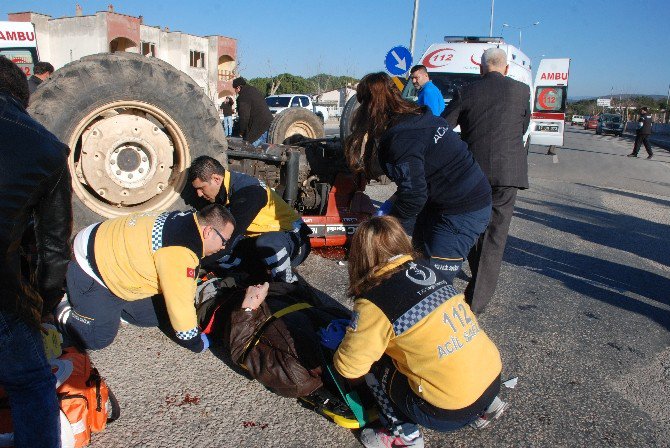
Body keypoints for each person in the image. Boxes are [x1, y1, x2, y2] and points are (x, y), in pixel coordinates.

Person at [333, 216, 507, 448]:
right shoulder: (429, 269)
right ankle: (486, 406)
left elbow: (350, 366)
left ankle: (404, 435)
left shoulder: (374, 300)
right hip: (492, 378)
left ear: (360, 256)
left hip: (447, 412)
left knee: (374, 365)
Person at [345, 72, 492, 283]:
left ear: (369, 106)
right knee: (418, 262)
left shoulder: (401, 138)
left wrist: (385, 224)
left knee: (432, 281)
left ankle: (445, 313)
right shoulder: (417, 116)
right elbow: (416, 178)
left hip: (462, 210)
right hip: (445, 199)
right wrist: (389, 204)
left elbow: (414, 196)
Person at [0, 56, 73, 447]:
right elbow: (51, 247)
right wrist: (45, 305)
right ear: (20, 95)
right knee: (30, 384)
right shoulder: (44, 147)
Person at [55, 204, 235, 353]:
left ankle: (109, 310)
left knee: (156, 314)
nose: (223, 248)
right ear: (209, 231)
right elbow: (181, 307)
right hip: (92, 268)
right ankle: (64, 305)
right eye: (224, 241)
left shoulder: (186, 220)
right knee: (96, 338)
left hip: (114, 257)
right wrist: (196, 343)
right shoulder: (180, 252)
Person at [442, 47, 531, 314]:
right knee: (495, 235)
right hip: (508, 173)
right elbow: (523, 127)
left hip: (473, 173)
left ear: (481, 69)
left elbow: (444, 126)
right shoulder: (522, 91)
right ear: (506, 69)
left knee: (472, 227)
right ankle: (476, 302)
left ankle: (475, 291)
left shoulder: (467, 91)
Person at [189, 156, 311, 283]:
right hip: (258, 241)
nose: (199, 194)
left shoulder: (249, 193)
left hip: (294, 240)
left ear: (216, 179)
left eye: (201, 188)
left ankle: (287, 285)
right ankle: (253, 277)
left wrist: (193, 264)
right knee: (220, 255)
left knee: (265, 242)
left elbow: (228, 240)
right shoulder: (224, 192)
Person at [232, 77, 273, 146]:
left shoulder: (243, 96)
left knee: (251, 151)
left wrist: (241, 132)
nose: (235, 91)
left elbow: (244, 117)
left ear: (238, 87)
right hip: (269, 125)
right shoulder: (253, 90)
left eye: (235, 89)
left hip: (259, 129)